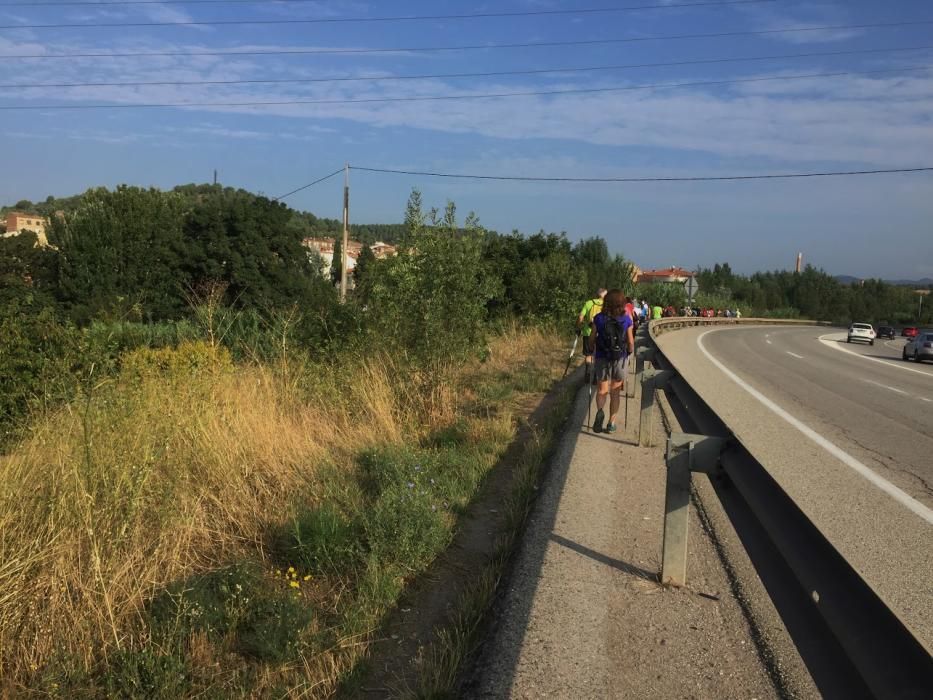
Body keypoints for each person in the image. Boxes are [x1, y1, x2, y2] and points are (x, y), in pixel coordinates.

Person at [589, 289, 635, 434]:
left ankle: (600, 412)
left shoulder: (598, 318)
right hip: (619, 358)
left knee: (602, 390)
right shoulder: (626, 319)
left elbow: (591, 338)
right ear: (622, 303)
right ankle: (611, 423)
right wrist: (629, 352)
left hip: (602, 356)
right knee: (615, 392)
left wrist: (591, 350)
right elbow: (630, 341)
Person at [576, 288, 606, 383]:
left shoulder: (588, 303)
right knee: (598, 355)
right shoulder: (606, 305)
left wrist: (579, 327)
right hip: (601, 333)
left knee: (588, 354)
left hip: (588, 332)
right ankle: (596, 376)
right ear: (604, 296)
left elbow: (581, 317)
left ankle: (588, 372)